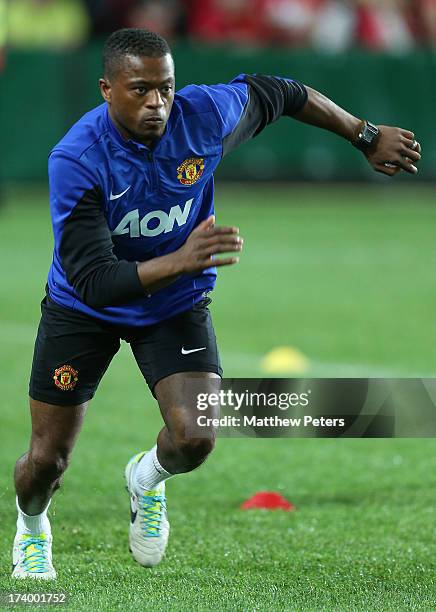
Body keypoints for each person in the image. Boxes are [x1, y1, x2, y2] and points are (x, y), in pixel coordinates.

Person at [11, 27, 421, 579]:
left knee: (197, 437)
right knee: (46, 462)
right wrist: (181, 259)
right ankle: (32, 528)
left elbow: (282, 93)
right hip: (84, 310)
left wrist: (364, 134)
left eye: (165, 88)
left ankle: (145, 478)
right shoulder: (78, 160)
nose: (156, 103)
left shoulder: (204, 116)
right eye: (140, 90)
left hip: (174, 303)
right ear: (107, 89)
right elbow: (95, 281)